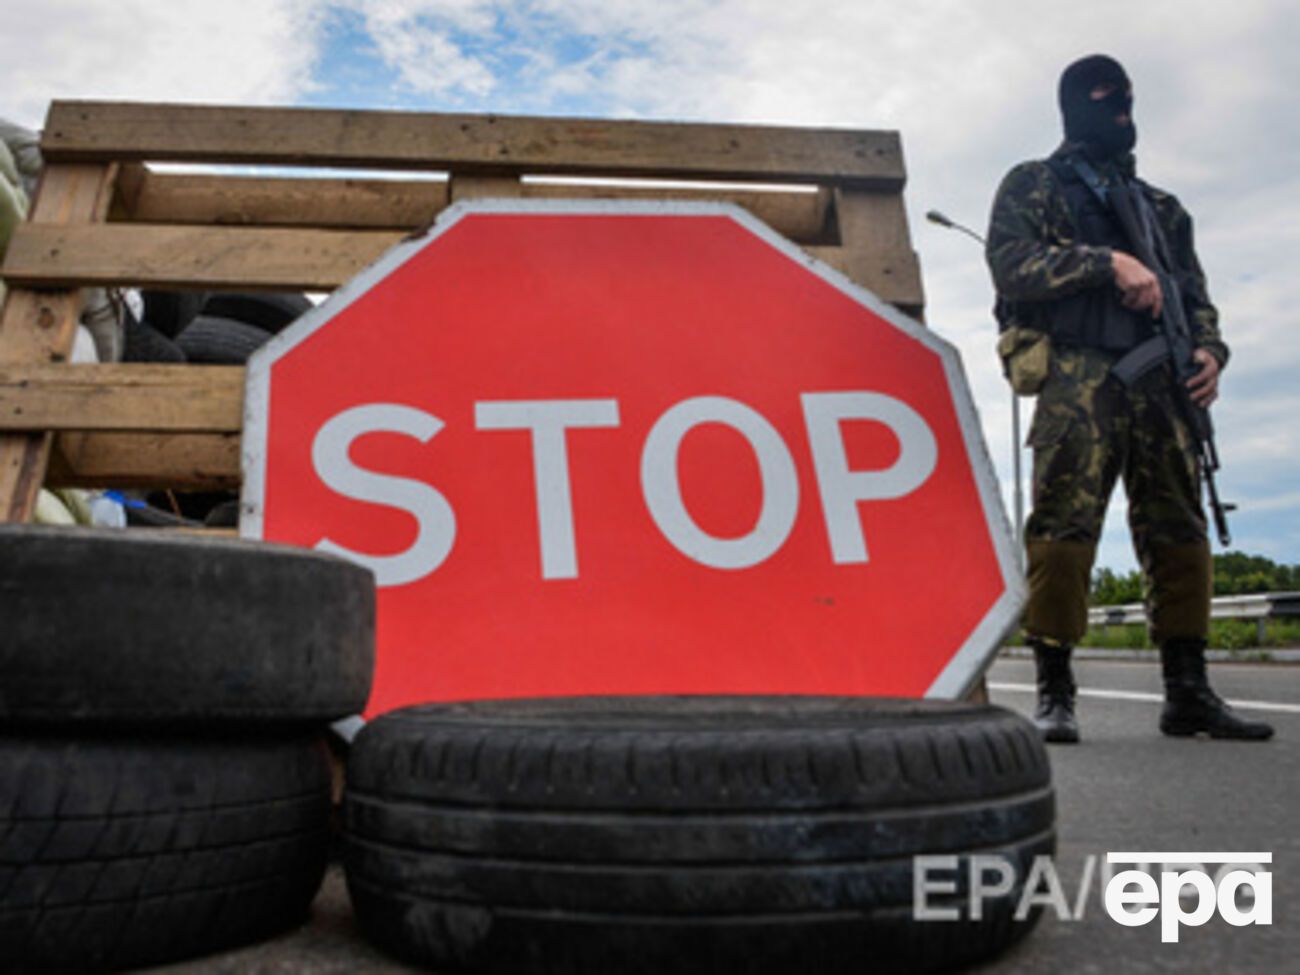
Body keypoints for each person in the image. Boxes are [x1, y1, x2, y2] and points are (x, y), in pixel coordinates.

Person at [985, 54, 1272, 743]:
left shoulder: (1163, 209)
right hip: (1078, 374)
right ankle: (1055, 691)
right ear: (1074, 106)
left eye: (1128, 97)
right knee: (1063, 525)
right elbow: (1010, 264)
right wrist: (1105, 262)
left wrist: (1211, 352)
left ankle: (1189, 691)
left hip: (1164, 382)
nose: (1121, 109)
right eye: (1105, 95)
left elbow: (1196, 297)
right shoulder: (1035, 183)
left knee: (1180, 526)